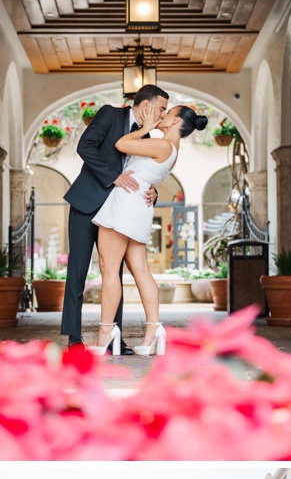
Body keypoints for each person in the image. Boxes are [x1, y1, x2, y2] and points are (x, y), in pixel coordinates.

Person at [92, 102, 205, 356]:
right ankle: (154, 328)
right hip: (137, 204)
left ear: (176, 122)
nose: (162, 115)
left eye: (167, 113)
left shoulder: (163, 144)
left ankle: (105, 332)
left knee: (109, 267)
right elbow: (148, 174)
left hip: (126, 204)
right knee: (140, 269)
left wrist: (145, 127)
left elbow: (121, 144)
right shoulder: (172, 149)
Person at [60, 89, 164, 348]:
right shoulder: (110, 114)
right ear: (146, 107)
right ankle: (74, 336)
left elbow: (143, 173)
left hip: (118, 212)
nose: (163, 115)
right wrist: (112, 176)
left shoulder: (147, 137)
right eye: (161, 109)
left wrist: (154, 191)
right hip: (88, 203)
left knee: (113, 273)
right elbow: (85, 146)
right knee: (78, 271)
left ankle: (113, 338)